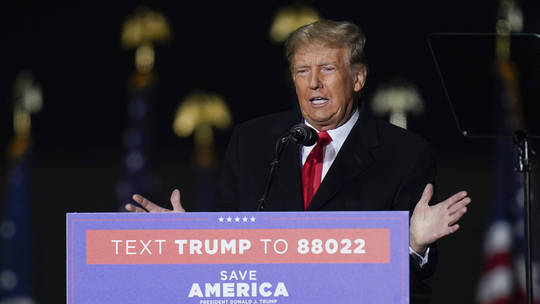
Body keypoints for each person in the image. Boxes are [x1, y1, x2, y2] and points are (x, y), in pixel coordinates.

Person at [125, 19, 471, 303]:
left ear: (358, 78)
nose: (314, 84)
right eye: (302, 71)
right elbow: (226, 243)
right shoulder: (252, 142)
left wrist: (414, 244)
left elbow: (412, 282)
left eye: (327, 69)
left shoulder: (405, 153)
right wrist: (187, 240)